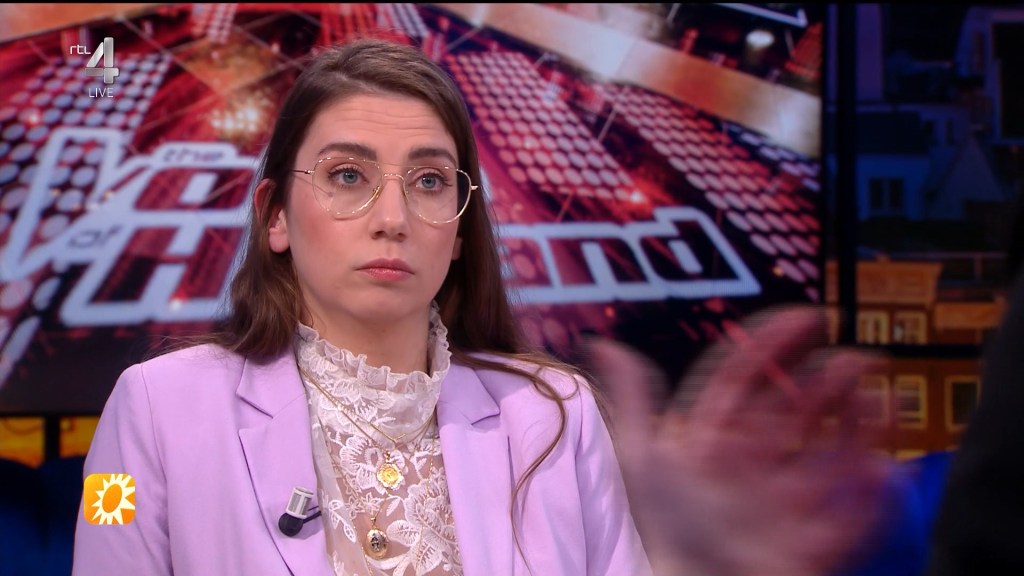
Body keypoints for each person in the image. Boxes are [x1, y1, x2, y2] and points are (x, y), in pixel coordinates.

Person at [72, 37, 887, 576]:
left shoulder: (557, 416)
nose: (394, 217)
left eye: (430, 181)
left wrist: (688, 563)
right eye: (349, 176)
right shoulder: (153, 411)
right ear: (275, 214)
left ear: (459, 229)